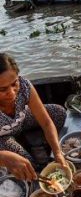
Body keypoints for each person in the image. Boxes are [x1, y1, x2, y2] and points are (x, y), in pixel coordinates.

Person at [0, 53, 67, 181]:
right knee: (28, 165)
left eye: (14, 84)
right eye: (2, 89)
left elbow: (46, 122)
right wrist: (3, 157)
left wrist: (57, 152)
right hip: (2, 137)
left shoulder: (24, 86)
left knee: (59, 113)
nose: (12, 93)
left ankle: (27, 139)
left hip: (22, 120)